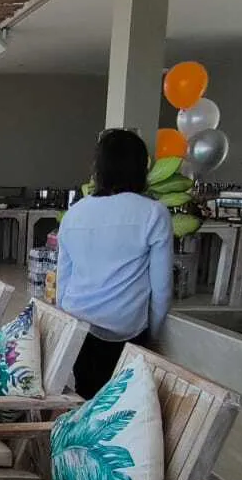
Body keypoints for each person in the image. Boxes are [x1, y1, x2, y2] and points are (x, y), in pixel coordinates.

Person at [56, 129, 172, 398]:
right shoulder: (154, 213)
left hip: (78, 325)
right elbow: (162, 288)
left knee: (86, 395)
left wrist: (66, 324)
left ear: (98, 168)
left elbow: (63, 279)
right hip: (127, 330)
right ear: (141, 168)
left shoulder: (75, 213)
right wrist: (153, 334)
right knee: (121, 402)